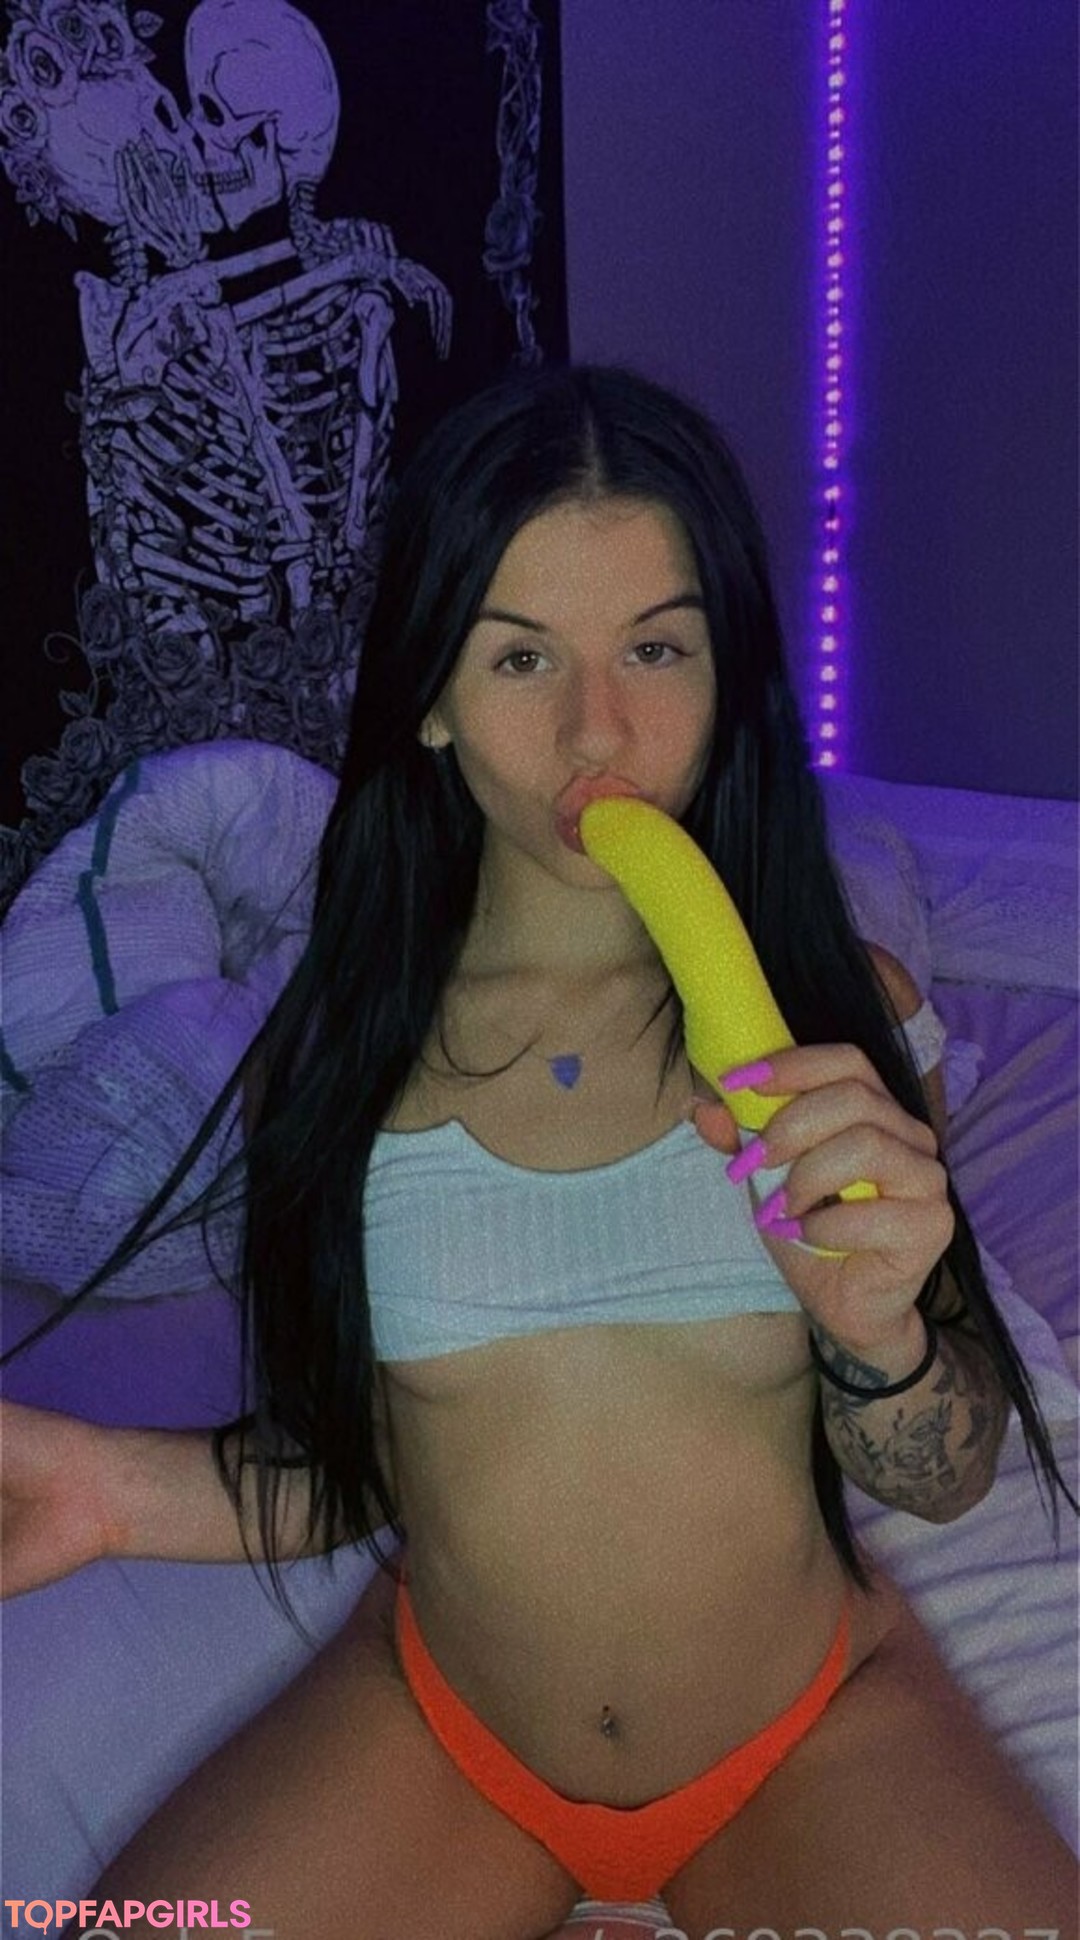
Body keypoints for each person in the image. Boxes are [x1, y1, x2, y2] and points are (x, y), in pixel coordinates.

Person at [3, 365, 1076, 1938]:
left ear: (726, 677)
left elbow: (951, 1460)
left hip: (807, 1729)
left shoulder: (841, 1020)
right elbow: (367, 1464)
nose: (598, 731)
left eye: (657, 648)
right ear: (431, 696)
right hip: (449, 1733)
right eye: (523, 657)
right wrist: (102, 1491)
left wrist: (881, 1342)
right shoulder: (335, 1055)